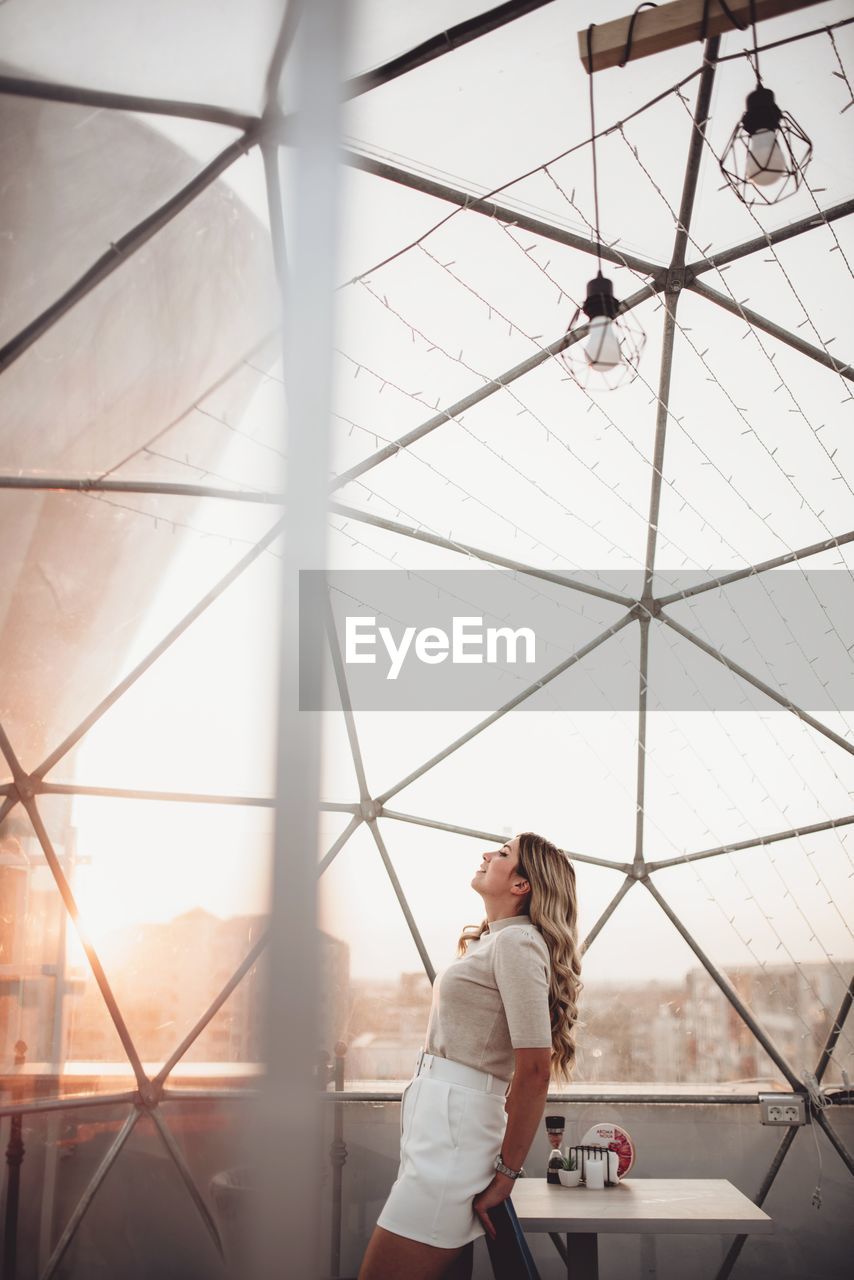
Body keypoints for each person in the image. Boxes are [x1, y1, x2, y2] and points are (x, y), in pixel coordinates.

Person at [358, 831, 582, 1280]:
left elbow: (534, 1071)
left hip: (454, 1139)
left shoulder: (517, 944)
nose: (486, 854)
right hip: (440, 1131)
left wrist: (506, 1176)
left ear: (522, 885)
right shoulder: (494, 941)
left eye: (502, 854)